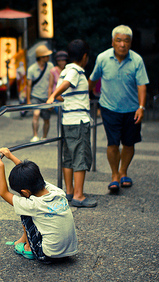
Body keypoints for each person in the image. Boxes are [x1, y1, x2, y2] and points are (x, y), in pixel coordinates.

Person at [0, 148, 78, 263]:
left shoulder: (33, 205)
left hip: (47, 255)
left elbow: (4, 193)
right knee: (28, 208)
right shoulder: (56, 191)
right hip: (68, 251)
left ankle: (29, 248)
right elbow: (30, 175)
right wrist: (10, 156)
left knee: (24, 211)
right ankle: (23, 240)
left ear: (25, 192)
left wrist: (0, 165)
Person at [88, 25, 149, 193]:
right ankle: (115, 175)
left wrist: (141, 107)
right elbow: (93, 79)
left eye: (126, 41)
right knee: (113, 143)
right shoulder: (102, 58)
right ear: (113, 42)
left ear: (130, 43)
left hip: (132, 109)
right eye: (119, 40)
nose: (122, 44)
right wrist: (87, 93)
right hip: (109, 108)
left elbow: (142, 85)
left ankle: (124, 172)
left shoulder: (136, 60)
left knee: (129, 144)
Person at [47, 39, 97, 208]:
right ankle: (79, 195)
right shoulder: (75, 71)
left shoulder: (65, 70)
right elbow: (66, 85)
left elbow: (66, 92)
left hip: (68, 121)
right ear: (85, 56)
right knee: (80, 157)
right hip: (78, 122)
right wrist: (53, 95)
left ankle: (69, 192)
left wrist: (62, 97)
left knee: (68, 158)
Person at [27, 45, 54, 142]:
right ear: (41, 57)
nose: (48, 57)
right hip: (36, 96)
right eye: (46, 56)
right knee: (36, 114)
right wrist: (28, 100)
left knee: (46, 118)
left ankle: (45, 137)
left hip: (46, 97)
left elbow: (51, 83)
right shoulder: (31, 69)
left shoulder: (50, 66)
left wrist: (50, 97)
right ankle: (35, 135)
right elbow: (28, 86)